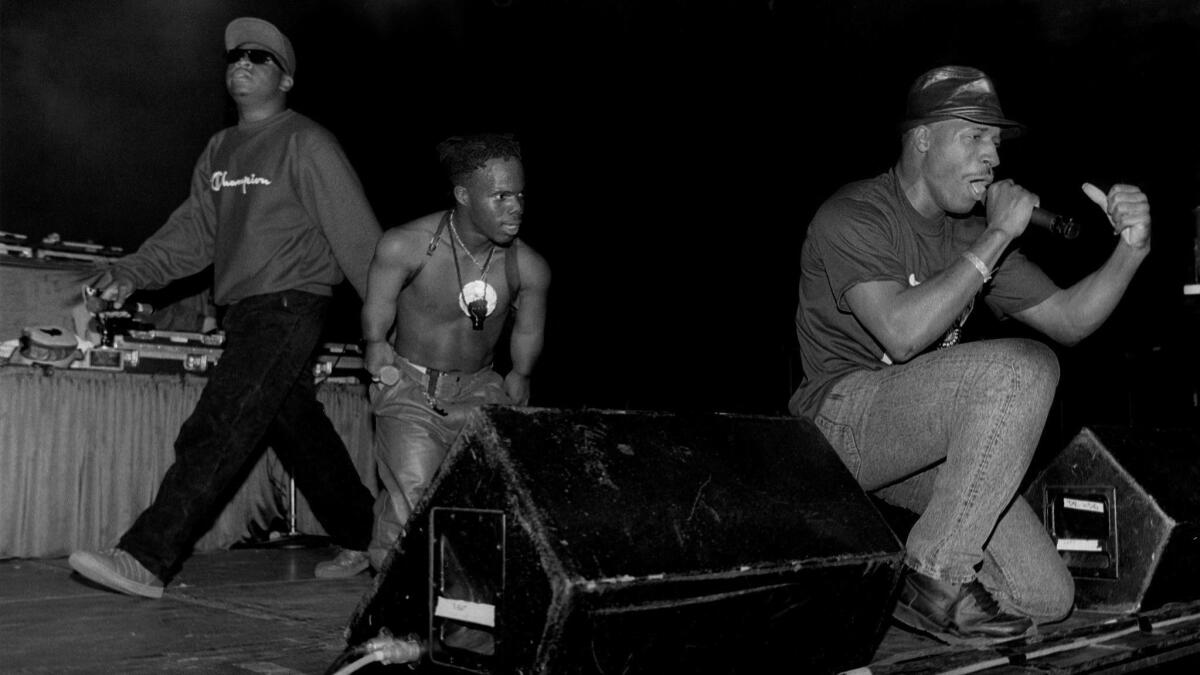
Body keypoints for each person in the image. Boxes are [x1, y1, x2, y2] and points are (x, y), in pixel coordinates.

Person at [789, 65, 1151, 642]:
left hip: (923, 436)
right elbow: (901, 334)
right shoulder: (853, 215)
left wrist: (1131, 252)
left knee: (1046, 597)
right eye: (975, 136)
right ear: (923, 137)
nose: (993, 159)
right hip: (836, 429)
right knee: (1021, 367)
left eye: (997, 144)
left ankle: (909, 600)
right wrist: (997, 237)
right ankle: (934, 571)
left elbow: (1070, 320)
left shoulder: (968, 238)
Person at [68, 17, 381, 598]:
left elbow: (360, 241)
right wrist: (132, 272)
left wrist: (389, 333)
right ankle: (368, 535)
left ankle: (146, 555)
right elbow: (191, 234)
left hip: (291, 303)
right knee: (296, 430)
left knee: (220, 424)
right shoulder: (221, 149)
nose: (242, 62)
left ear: (285, 79)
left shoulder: (306, 143)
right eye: (235, 54)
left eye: (259, 56)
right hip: (246, 311)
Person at [315, 133, 550, 576]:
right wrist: (379, 352)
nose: (515, 207)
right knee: (413, 499)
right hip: (411, 387)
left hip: (481, 390)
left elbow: (529, 331)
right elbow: (376, 315)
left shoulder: (528, 266)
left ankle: (459, 613)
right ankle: (404, 614)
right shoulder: (406, 244)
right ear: (463, 195)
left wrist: (519, 377)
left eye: (519, 195)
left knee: (479, 507)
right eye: (500, 197)